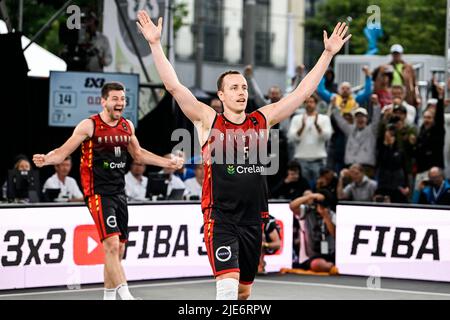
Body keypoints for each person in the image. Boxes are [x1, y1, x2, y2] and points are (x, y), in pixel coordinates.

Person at [137, 10, 351, 300]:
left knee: (242, 292)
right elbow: (174, 86)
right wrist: (154, 45)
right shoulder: (208, 119)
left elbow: (301, 93)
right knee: (226, 287)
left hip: (253, 218)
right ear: (221, 95)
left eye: (244, 87)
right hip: (220, 216)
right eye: (234, 87)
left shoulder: (260, 120)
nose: (241, 91)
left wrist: (326, 55)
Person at [33, 82, 183, 300]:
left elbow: (139, 155)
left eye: (122, 99)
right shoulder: (89, 125)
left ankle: (108, 297)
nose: (120, 103)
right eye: (115, 99)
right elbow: (63, 152)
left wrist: (167, 163)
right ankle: (127, 296)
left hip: (118, 193)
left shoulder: (127, 126)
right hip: (97, 193)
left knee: (117, 251)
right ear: (103, 101)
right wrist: (46, 159)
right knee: (111, 244)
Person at [331, 94, 381, 177]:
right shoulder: (349, 130)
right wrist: (334, 106)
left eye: (362, 117)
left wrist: (376, 105)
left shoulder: (372, 130)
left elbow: (376, 119)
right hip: (350, 166)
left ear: (367, 119)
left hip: (366, 167)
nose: (360, 119)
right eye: (358, 117)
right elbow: (340, 121)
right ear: (354, 119)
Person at [287, 95, 333, 186]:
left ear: (316, 104)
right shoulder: (297, 119)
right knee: (304, 187)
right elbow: (291, 137)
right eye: (307, 102)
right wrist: (302, 127)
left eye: (311, 102)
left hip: (318, 159)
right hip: (302, 159)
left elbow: (327, 136)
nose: (309, 104)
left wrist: (317, 125)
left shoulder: (324, 118)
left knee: (320, 186)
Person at [289, 190, 338, 273]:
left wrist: (325, 216)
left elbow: (335, 234)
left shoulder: (331, 214)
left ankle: (332, 266)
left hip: (331, 252)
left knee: (329, 263)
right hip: (314, 255)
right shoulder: (308, 211)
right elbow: (292, 206)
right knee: (316, 264)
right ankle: (330, 267)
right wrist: (310, 196)